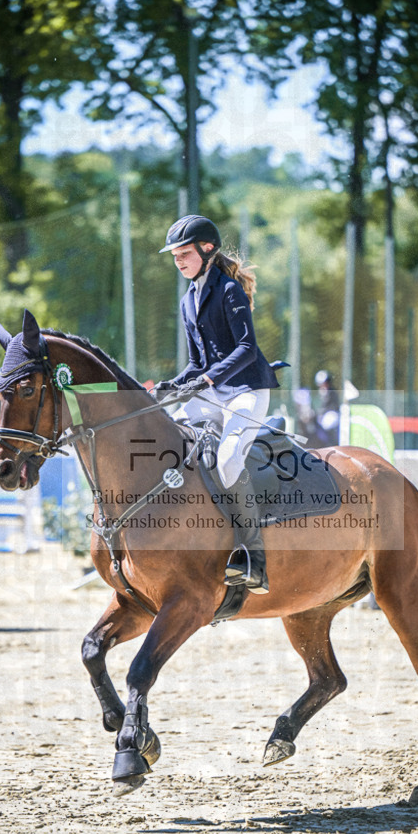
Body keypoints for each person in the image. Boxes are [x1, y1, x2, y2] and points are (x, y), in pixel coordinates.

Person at [154, 214, 281, 594]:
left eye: (184, 254)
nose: (178, 261)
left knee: (227, 461)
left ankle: (253, 558)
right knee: (167, 436)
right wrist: (173, 385)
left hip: (247, 389)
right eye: (175, 255)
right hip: (214, 390)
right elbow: (196, 361)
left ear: (207, 250)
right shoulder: (187, 299)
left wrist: (207, 379)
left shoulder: (228, 291)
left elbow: (246, 349)